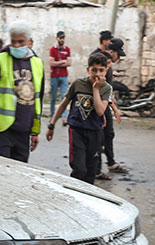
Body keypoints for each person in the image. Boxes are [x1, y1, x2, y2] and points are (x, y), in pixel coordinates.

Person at [0, 20, 44, 162]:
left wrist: (35, 131)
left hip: (23, 132)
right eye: (13, 41)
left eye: (21, 42)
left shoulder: (37, 64)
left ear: (29, 42)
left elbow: (37, 100)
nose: (16, 45)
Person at [46, 53, 112, 183]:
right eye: (94, 70)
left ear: (106, 70)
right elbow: (63, 104)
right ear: (88, 70)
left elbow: (100, 111)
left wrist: (96, 89)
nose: (97, 74)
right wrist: (51, 125)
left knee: (90, 173)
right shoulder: (78, 84)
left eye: (101, 70)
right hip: (77, 131)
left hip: (95, 133)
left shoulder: (106, 88)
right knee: (79, 169)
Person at [91, 37, 127, 178]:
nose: (117, 58)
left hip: (106, 103)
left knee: (109, 134)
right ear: (111, 51)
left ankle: (110, 162)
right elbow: (98, 88)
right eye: (117, 54)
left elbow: (107, 87)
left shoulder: (109, 67)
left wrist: (112, 100)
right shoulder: (102, 65)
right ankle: (96, 170)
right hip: (101, 104)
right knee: (99, 137)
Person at [48, 31, 71, 118]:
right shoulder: (52, 49)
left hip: (64, 76)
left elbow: (69, 63)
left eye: (63, 38)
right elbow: (51, 63)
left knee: (64, 97)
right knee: (53, 97)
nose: (62, 40)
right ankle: (52, 115)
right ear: (57, 38)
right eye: (60, 38)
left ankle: (64, 117)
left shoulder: (67, 49)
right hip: (54, 76)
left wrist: (57, 62)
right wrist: (62, 62)